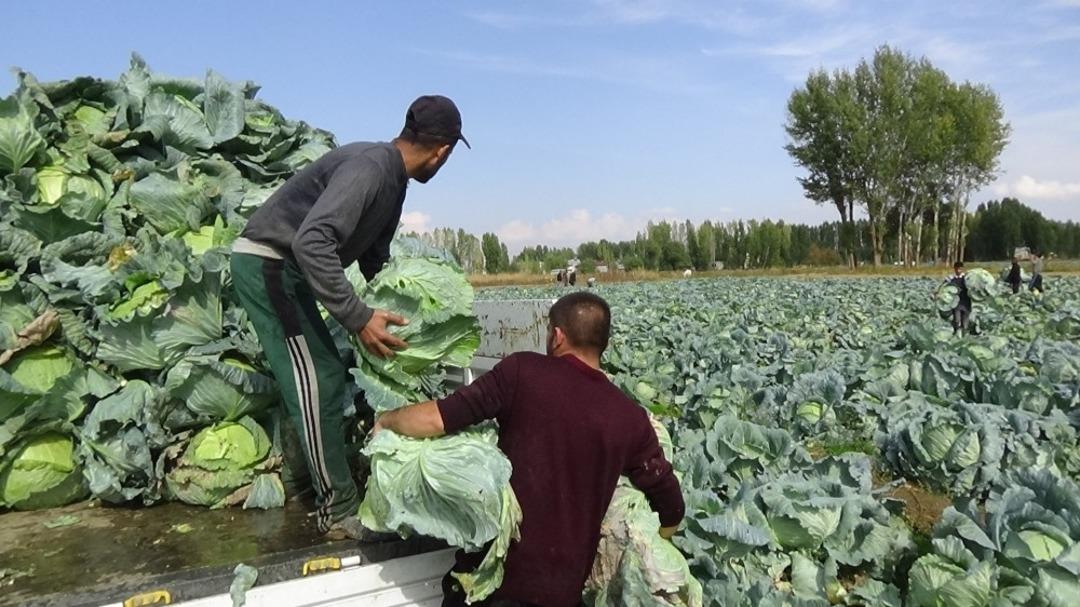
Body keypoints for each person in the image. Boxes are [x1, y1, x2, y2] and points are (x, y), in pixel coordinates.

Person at [229, 95, 469, 539]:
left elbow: (375, 260)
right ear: (443, 151)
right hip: (269, 265)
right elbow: (313, 241)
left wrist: (408, 316)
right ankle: (337, 511)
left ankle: (302, 480)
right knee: (317, 377)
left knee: (317, 374)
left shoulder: (394, 181)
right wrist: (358, 317)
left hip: (289, 271)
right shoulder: (372, 167)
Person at [374, 293, 685, 606]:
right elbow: (671, 506)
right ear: (603, 343)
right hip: (562, 595)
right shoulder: (629, 417)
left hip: (494, 585)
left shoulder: (524, 372)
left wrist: (387, 420)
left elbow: (438, 418)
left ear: (557, 335)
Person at [945, 261, 973, 335]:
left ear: (962, 269)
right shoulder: (950, 278)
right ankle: (956, 334)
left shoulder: (967, 278)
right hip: (956, 303)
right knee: (957, 320)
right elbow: (943, 287)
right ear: (954, 269)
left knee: (965, 322)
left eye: (960, 269)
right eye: (957, 269)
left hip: (966, 303)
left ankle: (964, 336)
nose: (958, 271)